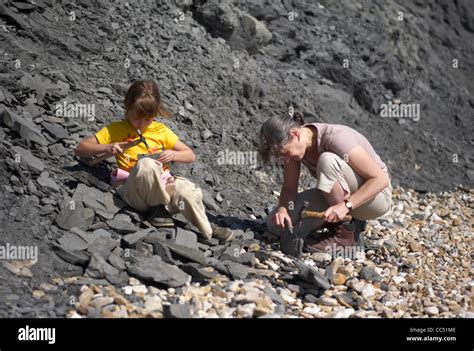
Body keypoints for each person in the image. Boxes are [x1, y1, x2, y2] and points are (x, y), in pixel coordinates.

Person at [75, 80, 232, 242]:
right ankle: (157, 209)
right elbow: (81, 149)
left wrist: (173, 155)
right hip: (134, 192)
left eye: (148, 119)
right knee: (147, 164)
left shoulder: (160, 131)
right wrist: (107, 147)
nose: (141, 124)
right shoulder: (114, 130)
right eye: (136, 117)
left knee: (184, 189)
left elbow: (190, 155)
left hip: (164, 190)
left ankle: (207, 229)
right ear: (127, 107)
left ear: (155, 114)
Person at [259, 112, 392, 252]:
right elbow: (289, 189)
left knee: (327, 160)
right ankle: (331, 223)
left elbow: (380, 179)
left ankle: (345, 233)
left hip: (375, 197)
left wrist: (346, 206)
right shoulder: (294, 150)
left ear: (295, 134)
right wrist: (283, 209)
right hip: (339, 198)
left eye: (285, 153)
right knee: (274, 224)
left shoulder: (335, 138)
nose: (286, 160)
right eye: (281, 157)